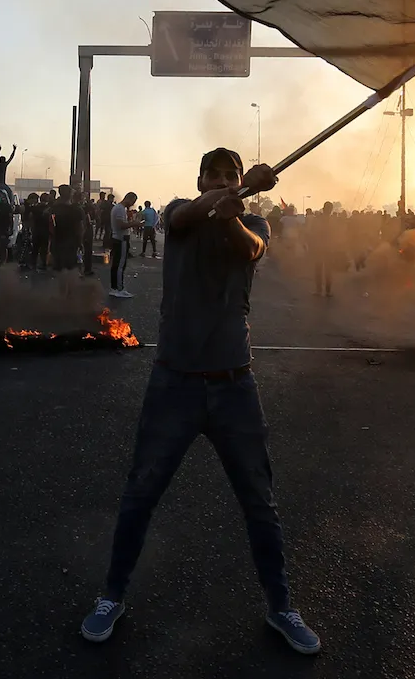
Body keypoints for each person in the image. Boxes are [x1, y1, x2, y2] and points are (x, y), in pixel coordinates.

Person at [80, 148, 319, 655]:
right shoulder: (178, 214)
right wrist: (227, 196)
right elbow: (188, 214)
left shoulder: (253, 224)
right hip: (175, 383)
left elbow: (251, 249)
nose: (222, 182)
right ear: (200, 181)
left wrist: (233, 210)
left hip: (235, 384)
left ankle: (281, 607)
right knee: (141, 494)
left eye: (231, 175)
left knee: (259, 502)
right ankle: (111, 596)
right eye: (214, 176)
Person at [108, 191, 140, 298]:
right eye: (133, 201)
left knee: (118, 264)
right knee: (119, 265)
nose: (132, 204)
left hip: (119, 239)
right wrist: (134, 223)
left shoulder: (120, 209)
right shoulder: (120, 209)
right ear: (129, 199)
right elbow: (121, 225)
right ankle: (118, 289)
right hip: (121, 239)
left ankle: (116, 288)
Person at [50, 185, 84, 276]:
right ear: (70, 194)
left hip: (57, 241)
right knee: (71, 268)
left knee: (58, 269)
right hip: (71, 242)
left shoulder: (53, 208)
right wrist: (80, 242)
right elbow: (79, 228)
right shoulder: (76, 209)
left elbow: (51, 224)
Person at [23, 193, 49, 270]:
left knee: (35, 248)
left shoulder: (34, 208)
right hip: (45, 231)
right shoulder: (49, 209)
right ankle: (43, 264)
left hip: (36, 230)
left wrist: (31, 228)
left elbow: (30, 218)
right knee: (44, 248)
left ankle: (33, 263)